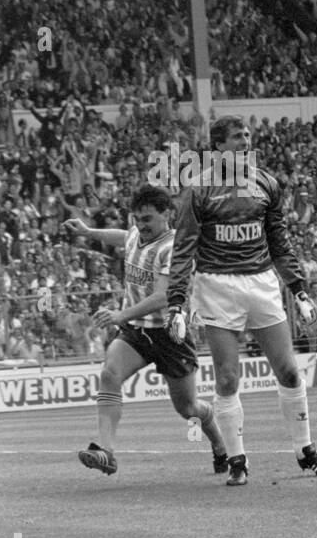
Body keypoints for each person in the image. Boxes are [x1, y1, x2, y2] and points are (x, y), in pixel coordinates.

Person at [165, 116, 317, 486]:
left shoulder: (266, 183)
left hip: (261, 283)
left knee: (289, 371)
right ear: (218, 147)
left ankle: (306, 452)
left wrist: (300, 290)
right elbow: (182, 251)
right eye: (236, 137)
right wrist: (177, 303)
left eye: (247, 136)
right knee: (227, 377)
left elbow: (279, 242)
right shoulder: (198, 190)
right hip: (216, 286)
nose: (245, 142)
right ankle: (237, 460)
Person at [64, 188, 227, 476]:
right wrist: (89, 231)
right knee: (109, 374)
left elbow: (162, 297)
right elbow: (122, 236)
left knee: (188, 409)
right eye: (137, 219)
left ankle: (220, 446)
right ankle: (107, 452)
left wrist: (119, 315)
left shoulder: (174, 248)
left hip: (169, 334)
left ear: (167, 214)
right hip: (136, 333)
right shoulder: (137, 234)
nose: (141, 225)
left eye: (148, 219)